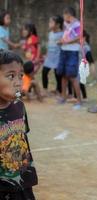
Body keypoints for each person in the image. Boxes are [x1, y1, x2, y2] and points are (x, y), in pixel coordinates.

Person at [0, 50, 38, 200]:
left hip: (22, 183)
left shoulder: (19, 106)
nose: (18, 81)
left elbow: (23, 140)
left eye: (20, 75)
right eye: (10, 76)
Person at [56, 6, 82, 110]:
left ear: (69, 15)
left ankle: (79, 100)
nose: (63, 17)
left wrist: (66, 42)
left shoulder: (78, 24)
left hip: (72, 52)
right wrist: (61, 41)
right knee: (63, 75)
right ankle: (63, 97)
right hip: (64, 50)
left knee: (72, 76)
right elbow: (65, 36)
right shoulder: (65, 24)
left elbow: (79, 37)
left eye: (64, 15)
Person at [42, 15, 64, 95]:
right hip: (49, 57)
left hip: (57, 57)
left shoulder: (62, 34)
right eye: (49, 22)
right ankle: (45, 89)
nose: (49, 24)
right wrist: (46, 55)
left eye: (51, 22)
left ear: (58, 25)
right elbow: (49, 44)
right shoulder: (50, 33)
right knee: (44, 72)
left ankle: (59, 90)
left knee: (57, 74)